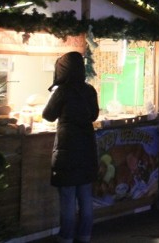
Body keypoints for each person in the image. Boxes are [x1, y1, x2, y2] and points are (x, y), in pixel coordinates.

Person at [42, 51, 99, 243]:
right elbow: (94, 115)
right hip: (87, 149)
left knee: (67, 197)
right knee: (85, 196)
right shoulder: (89, 90)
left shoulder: (62, 92)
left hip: (67, 150)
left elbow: (48, 115)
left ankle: (66, 236)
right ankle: (84, 235)